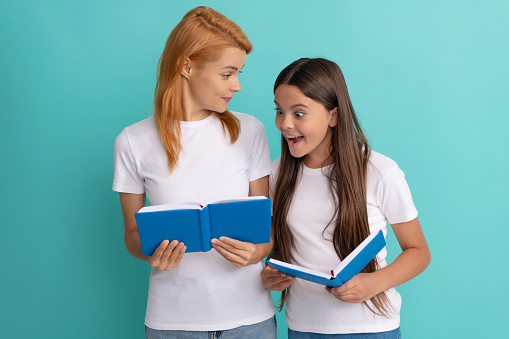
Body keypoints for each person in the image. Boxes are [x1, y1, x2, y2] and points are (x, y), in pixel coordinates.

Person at [112, 7, 276, 339]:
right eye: (228, 74)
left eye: (239, 73)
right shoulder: (132, 141)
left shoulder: (250, 131)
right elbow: (132, 234)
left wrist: (256, 253)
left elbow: (265, 228)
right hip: (172, 323)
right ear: (186, 66)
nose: (238, 85)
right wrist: (152, 253)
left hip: (251, 321)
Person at [260, 58, 431, 338]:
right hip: (303, 327)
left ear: (334, 116)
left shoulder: (380, 172)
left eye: (299, 113)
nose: (284, 124)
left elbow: (419, 252)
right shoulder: (276, 173)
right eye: (279, 111)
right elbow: (278, 243)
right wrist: (270, 274)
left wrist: (374, 283)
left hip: (370, 328)